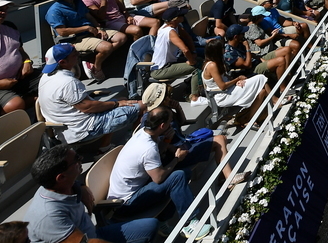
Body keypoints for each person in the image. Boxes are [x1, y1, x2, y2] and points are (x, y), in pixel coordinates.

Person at [106, 106, 210, 235]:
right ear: (162, 126)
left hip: (130, 194)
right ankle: (190, 224)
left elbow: (155, 156)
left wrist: (167, 141)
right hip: (126, 204)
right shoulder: (148, 148)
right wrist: (176, 159)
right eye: (170, 122)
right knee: (178, 176)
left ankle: (162, 221)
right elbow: (158, 177)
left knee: (185, 173)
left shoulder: (141, 133)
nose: (171, 124)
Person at [26, 144, 160, 243]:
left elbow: (75, 182)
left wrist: (82, 187)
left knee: (151, 225)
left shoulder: (60, 185)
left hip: (93, 232)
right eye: (77, 159)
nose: (81, 159)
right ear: (61, 177)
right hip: (87, 240)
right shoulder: (49, 216)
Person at [37, 43, 144, 145]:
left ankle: (104, 147)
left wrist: (117, 102)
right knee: (144, 105)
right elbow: (87, 107)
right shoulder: (67, 82)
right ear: (63, 62)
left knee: (122, 99)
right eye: (74, 55)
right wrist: (115, 104)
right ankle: (134, 143)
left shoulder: (45, 77)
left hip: (69, 126)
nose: (78, 55)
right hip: (85, 129)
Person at [45, 0, 127, 82]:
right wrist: (86, 28)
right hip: (76, 39)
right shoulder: (55, 11)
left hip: (91, 31)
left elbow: (89, 17)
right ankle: (96, 68)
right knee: (107, 47)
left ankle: (93, 60)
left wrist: (98, 28)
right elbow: (61, 32)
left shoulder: (78, 2)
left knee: (121, 38)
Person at [201, 36, 271, 125]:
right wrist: (237, 79)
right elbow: (222, 86)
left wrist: (236, 81)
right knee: (260, 78)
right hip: (223, 95)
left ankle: (250, 119)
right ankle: (274, 101)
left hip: (229, 90)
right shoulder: (212, 65)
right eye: (223, 48)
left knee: (262, 91)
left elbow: (225, 78)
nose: (225, 50)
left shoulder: (215, 62)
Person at [150, 8, 203, 104]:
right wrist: (191, 61)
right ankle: (194, 97)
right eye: (181, 16)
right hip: (160, 70)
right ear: (174, 19)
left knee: (200, 60)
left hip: (170, 63)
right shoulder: (170, 32)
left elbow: (187, 37)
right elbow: (185, 50)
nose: (183, 17)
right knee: (196, 68)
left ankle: (189, 85)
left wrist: (194, 52)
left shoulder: (174, 26)